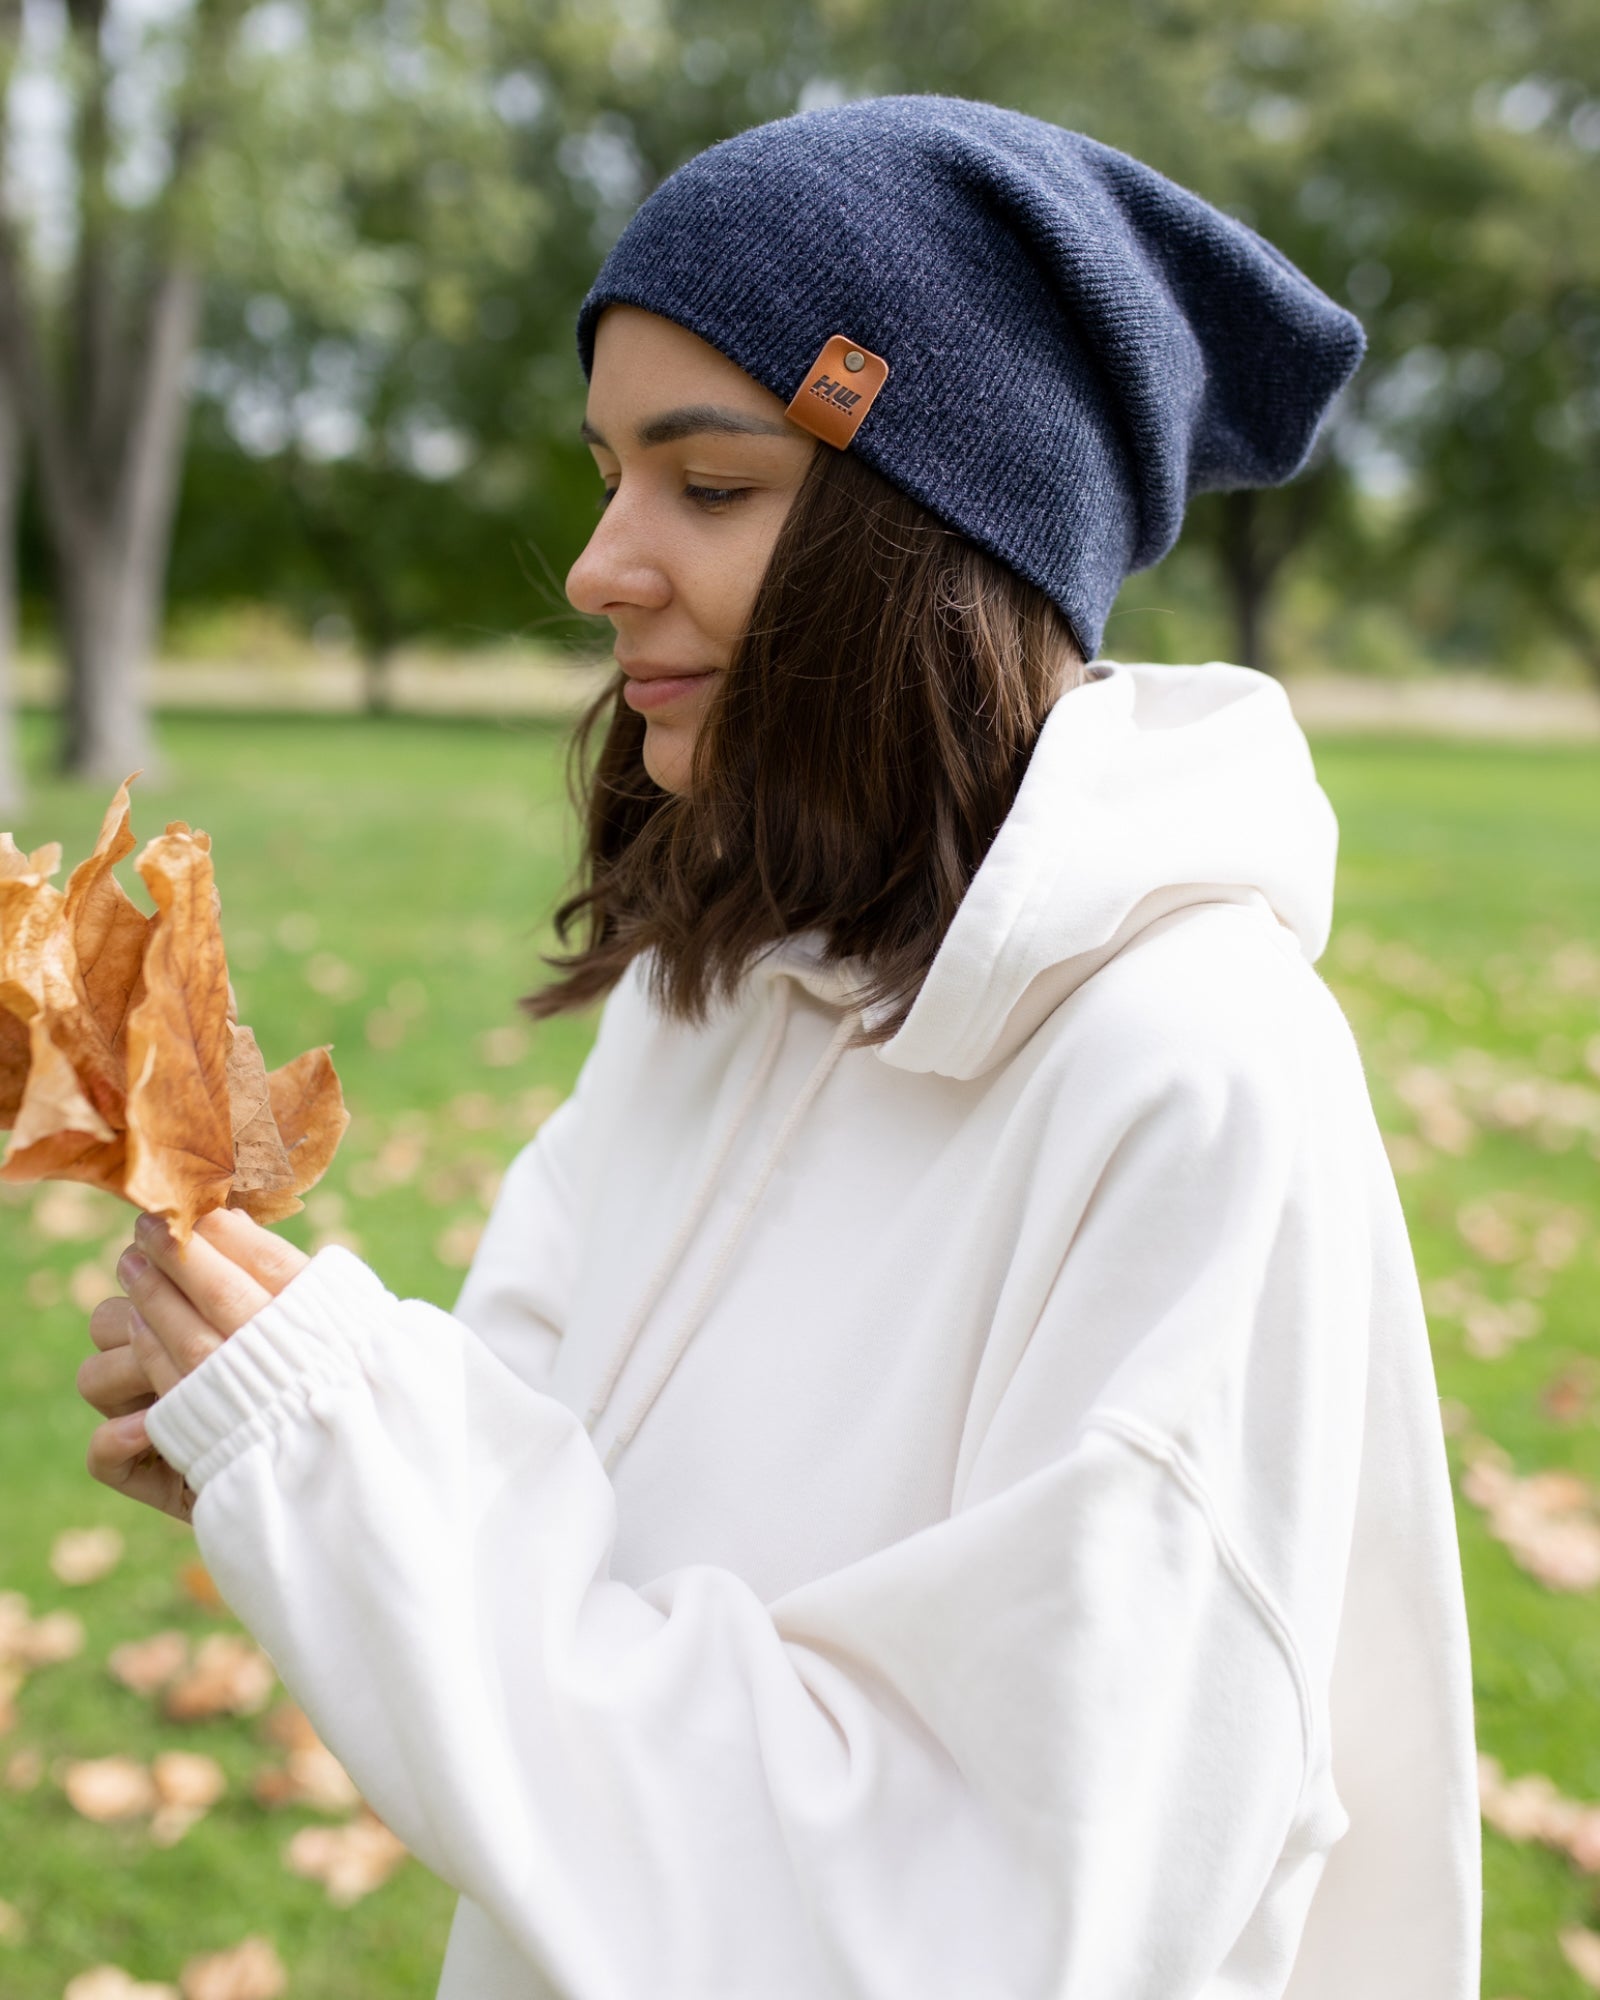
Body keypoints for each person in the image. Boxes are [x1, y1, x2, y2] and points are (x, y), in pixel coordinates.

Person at [76, 96, 1481, 1999]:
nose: (595, 565)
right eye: (606, 473)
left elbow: (963, 1915)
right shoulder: (714, 975)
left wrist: (347, 1458)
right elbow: (538, 1488)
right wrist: (288, 1438)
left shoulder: (1199, 1084)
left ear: (935, 535)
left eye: (708, 486)